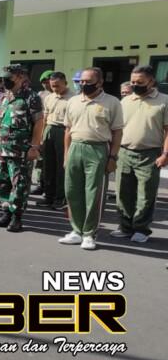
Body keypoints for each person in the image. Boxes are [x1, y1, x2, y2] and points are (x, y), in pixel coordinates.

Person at [59, 67, 123, 250]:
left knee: (94, 194)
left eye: (88, 82)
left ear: (100, 82)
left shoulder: (112, 102)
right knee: (72, 191)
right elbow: (68, 130)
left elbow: (117, 132)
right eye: (82, 81)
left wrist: (113, 157)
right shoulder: (73, 101)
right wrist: (66, 154)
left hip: (98, 149)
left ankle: (89, 234)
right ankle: (76, 231)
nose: (84, 84)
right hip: (75, 147)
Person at [112, 65, 168, 243]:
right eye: (133, 82)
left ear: (151, 81)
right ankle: (125, 227)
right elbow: (117, 129)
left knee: (146, 195)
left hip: (150, 154)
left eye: (140, 82)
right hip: (124, 152)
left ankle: (141, 229)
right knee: (123, 193)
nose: (135, 85)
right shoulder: (125, 101)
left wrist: (165, 154)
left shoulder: (164, 101)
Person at [0, 64, 44, 232]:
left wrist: (34, 147)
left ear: (21, 78)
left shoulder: (31, 97)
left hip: (20, 150)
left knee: (19, 185)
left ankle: (17, 217)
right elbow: (0, 121)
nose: (5, 81)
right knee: (2, 183)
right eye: (4, 78)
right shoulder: (6, 96)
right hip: (2, 149)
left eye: (9, 78)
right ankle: (6, 213)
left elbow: (39, 123)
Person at [37, 72, 73, 210]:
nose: (55, 89)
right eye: (52, 86)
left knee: (61, 166)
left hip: (64, 131)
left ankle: (60, 198)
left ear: (65, 83)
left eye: (57, 86)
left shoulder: (73, 98)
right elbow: (44, 118)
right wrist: (41, 137)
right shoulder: (49, 97)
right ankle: (48, 195)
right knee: (48, 166)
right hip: (49, 130)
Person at [31, 70, 55, 196]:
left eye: (47, 82)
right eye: (43, 83)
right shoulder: (41, 95)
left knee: (52, 161)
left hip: (53, 129)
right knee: (40, 161)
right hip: (42, 128)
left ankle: (51, 186)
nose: (45, 85)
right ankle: (41, 184)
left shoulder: (59, 94)